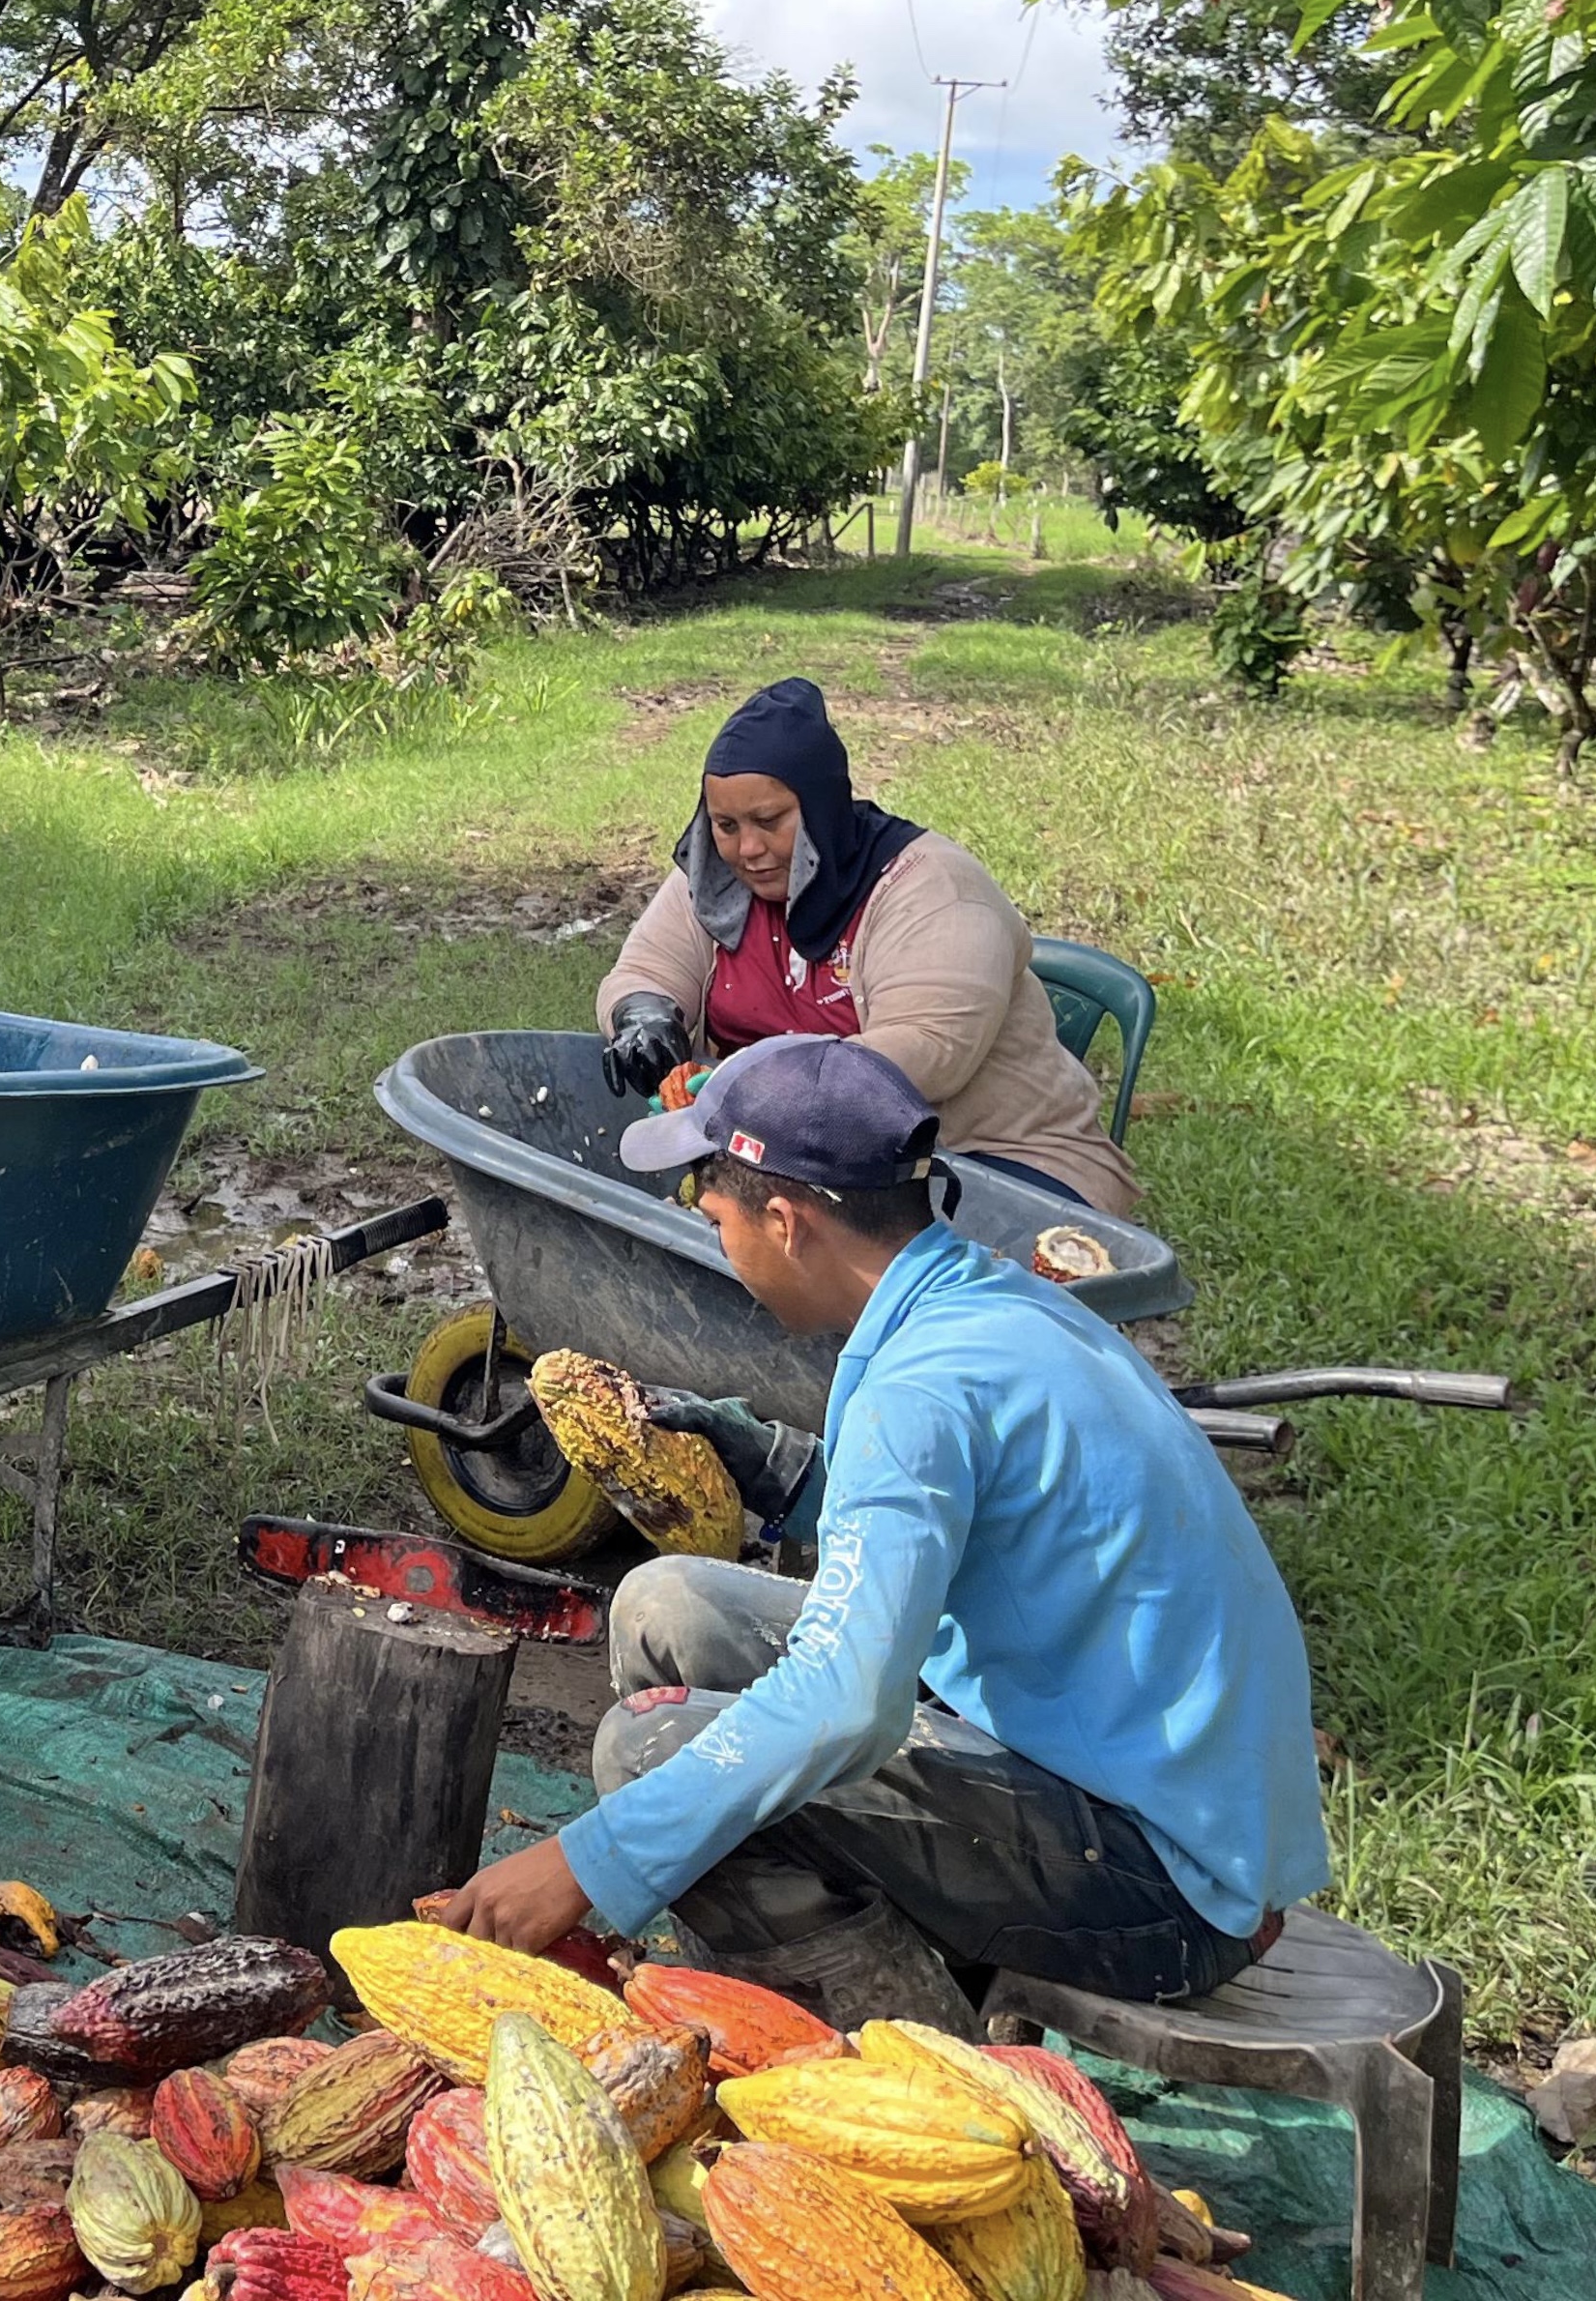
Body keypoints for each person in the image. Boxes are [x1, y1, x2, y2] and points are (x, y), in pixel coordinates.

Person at [423, 1038, 1325, 2025]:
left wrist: (585, 1860)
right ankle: (807, 1950)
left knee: (653, 1754)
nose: (717, 1244)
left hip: (1170, 1893)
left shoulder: (921, 1389)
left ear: (787, 1219)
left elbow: (848, 1702)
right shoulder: (990, 1302)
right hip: (1121, 1783)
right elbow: (977, 1528)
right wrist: (782, 1475)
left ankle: (890, 2068)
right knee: (666, 1603)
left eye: (716, 1218)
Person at [596, 677, 1140, 1216]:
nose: (749, 849)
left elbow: (926, 1054)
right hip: (805, 1168)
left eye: (769, 821)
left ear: (822, 811)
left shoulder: (935, 889)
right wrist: (644, 1014)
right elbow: (647, 968)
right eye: (725, 825)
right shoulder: (715, 878)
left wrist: (746, 1083)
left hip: (989, 1166)